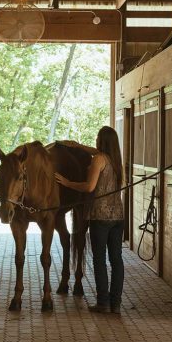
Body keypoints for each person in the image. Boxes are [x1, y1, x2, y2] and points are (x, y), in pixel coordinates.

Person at [54, 126, 125, 314]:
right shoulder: (116, 160)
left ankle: (102, 302)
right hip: (118, 216)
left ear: (101, 141)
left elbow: (88, 186)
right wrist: (78, 146)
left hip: (99, 216)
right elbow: (97, 153)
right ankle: (115, 303)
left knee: (100, 260)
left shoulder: (98, 160)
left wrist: (67, 183)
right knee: (116, 259)